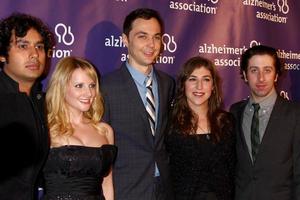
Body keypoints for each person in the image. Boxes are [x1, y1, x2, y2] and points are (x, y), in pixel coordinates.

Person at [101, 8, 175, 200]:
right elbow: (101, 147)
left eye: (157, 37)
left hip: (164, 188)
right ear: (125, 40)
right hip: (126, 189)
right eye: (142, 36)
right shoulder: (106, 87)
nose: (151, 44)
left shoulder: (167, 83)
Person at [230, 45, 300, 200]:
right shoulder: (234, 112)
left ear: (276, 75)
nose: (261, 78)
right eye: (254, 70)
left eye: (267, 70)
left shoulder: (295, 115)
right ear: (245, 74)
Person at [43, 56, 117, 200]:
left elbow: (107, 184)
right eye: (79, 86)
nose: (89, 93)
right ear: (62, 87)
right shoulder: (47, 130)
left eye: (92, 85)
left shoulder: (105, 130)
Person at [0, 13, 54, 200]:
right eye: (23, 46)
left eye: (39, 46)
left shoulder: (42, 101)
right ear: (2, 55)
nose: (34, 54)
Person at [165, 56, 235, 200]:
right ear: (183, 84)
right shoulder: (169, 122)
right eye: (192, 79)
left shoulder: (227, 122)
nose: (199, 86)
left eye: (206, 79)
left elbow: (233, 167)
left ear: (213, 86)